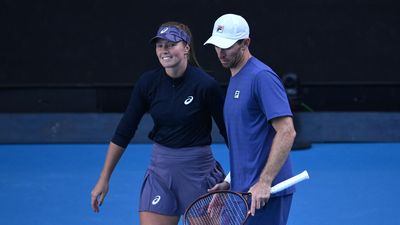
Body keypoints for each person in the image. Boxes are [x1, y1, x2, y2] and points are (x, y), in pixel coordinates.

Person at [91, 21, 228, 225]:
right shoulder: (148, 83)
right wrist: (104, 177)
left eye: (171, 44)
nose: (164, 50)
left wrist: (234, 178)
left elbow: (230, 135)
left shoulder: (206, 86)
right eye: (160, 45)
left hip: (198, 175)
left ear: (186, 48)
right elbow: (124, 132)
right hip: (160, 175)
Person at [205, 14, 297, 225]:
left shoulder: (261, 77)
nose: (220, 52)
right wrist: (230, 180)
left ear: (245, 43)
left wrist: (264, 182)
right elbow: (247, 141)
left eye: (227, 46)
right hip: (240, 192)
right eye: (217, 45)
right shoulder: (236, 78)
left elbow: (287, 131)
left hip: (265, 194)